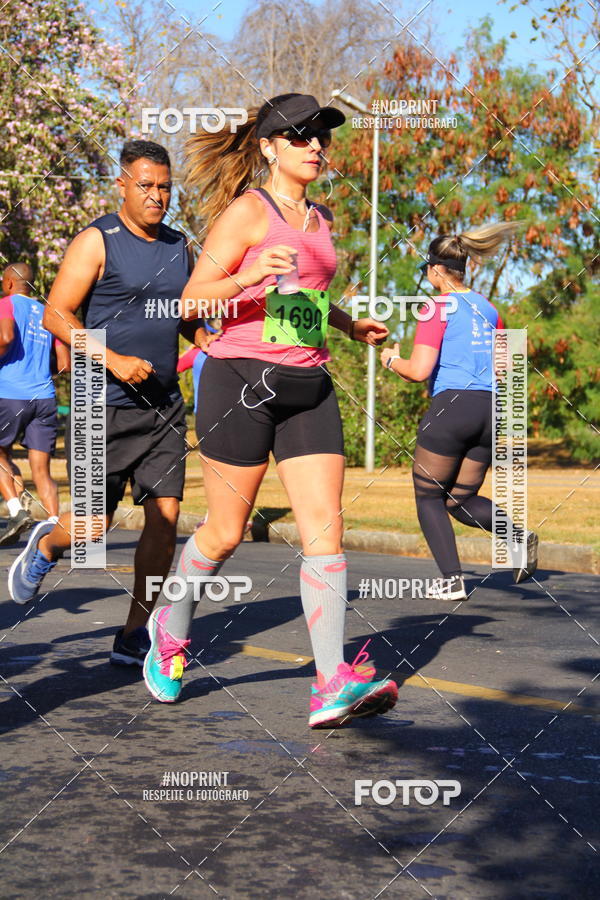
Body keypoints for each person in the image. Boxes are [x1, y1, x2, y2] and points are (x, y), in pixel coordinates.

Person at [142, 93, 399, 728]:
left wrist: (345, 322)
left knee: (325, 532)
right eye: (301, 135)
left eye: (322, 137)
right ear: (269, 148)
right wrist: (249, 273)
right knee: (225, 533)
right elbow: (190, 303)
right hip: (239, 381)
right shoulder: (246, 214)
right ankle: (168, 634)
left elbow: (303, 297)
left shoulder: (321, 218)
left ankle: (330, 681)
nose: (317, 146)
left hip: (308, 383)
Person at [8, 139, 201, 668]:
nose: (157, 196)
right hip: (102, 400)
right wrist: (112, 358)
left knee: (165, 519)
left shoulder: (179, 246)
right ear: (122, 184)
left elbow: (183, 316)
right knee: (94, 527)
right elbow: (57, 315)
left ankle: (134, 632)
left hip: (162, 406)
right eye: (146, 185)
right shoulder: (98, 240)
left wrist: (209, 338)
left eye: (165, 186)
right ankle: (48, 545)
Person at [380, 224, 538, 601]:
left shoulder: (436, 307)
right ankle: (520, 537)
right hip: (489, 409)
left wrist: (391, 360)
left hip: (452, 407)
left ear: (436, 270)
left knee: (428, 497)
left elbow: (418, 371)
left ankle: (451, 580)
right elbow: (505, 365)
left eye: (427, 272)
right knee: (459, 500)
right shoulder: (489, 308)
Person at [0, 262, 69, 546]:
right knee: (41, 469)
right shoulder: (48, 313)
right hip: (44, 397)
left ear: (9, 284)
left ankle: (16, 512)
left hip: (9, 393)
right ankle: (55, 528)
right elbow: (65, 364)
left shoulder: (6, 305)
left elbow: (5, 338)